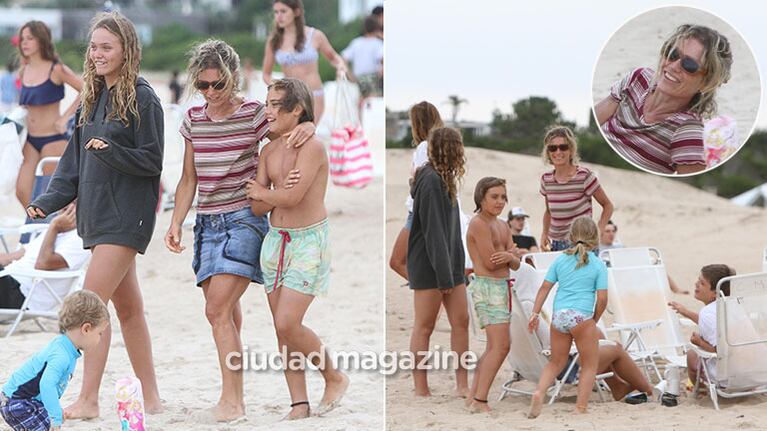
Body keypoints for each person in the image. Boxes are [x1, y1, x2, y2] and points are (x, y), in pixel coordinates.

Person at [164, 40, 314, 422]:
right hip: (207, 225)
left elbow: (288, 129)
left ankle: (233, 401)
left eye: (218, 84)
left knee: (217, 310)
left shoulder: (253, 115)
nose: (211, 93)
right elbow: (187, 179)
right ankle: (235, 392)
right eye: (203, 85)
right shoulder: (194, 119)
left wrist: (308, 126)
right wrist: (176, 222)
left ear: (233, 78)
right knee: (222, 313)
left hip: (245, 221)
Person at [26, 12, 163, 419]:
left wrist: (112, 150)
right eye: (94, 46)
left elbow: (153, 160)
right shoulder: (92, 97)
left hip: (128, 217)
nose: (98, 54)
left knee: (89, 308)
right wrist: (46, 202)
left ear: (126, 51)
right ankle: (151, 397)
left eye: (107, 47)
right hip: (96, 216)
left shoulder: (143, 97)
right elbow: (71, 166)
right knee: (129, 310)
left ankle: (88, 400)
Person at [245, 78, 349, 420]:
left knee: (289, 322)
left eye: (276, 105)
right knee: (281, 327)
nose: (268, 111)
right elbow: (257, 208)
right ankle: (299, 404)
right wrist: (268, 196)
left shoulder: (313, 148)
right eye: (268, 103)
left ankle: (333, 376)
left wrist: (266, 193)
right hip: (276, 242)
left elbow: (290, 197)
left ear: (297, 110)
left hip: (307, 241)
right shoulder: (268, 151)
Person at [595, 24, 733, 175]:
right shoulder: (638, 79)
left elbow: (685, 188)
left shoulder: (688, 131)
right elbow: (596, 123)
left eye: (689, 65)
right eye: (672, 54)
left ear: (707, 83)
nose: (673, 66)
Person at [407, 127, 469, 397]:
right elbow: (433, 232)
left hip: (450, 264)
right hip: (430, 265)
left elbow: (450, 232)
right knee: (424, 326)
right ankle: (421, 387)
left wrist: (456, 269)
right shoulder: (431, 180)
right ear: (452, 148)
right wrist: (444, 276)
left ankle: (462, 384)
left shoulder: (446, 178)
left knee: (461, 321)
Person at [527, 216, 608, 418]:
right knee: (589, 364)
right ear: (595, 238)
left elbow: (544, 288)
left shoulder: (560, 259)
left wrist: (535, 313)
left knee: (555, 362)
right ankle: (580, 407)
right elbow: (603, 299)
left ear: (571, 236)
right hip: (581, 318)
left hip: (559, 317)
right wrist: (594, 319)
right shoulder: (598, 265)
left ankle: (539, 391)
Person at [0, 290, 109, 431]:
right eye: (99, 333)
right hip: (18, 402)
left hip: (24, 400)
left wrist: (53, 411)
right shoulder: (61, 355)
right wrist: (55, 416)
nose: (100, 339)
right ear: (86, 329)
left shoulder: (64, 345)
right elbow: (46, 385)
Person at [465, 177, 520, 412]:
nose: (500, 202)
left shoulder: (503, 225)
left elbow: (515, 263)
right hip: (487, 287)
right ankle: (480, 400)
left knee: (493, 346)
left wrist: (509, 256)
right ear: (481, 198)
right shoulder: (478, 224)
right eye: (494, 197)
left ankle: (473, 397)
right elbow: (490, 262)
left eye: (503, 197)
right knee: (501, 346)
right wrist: (509, 255)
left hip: (503, 286)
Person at [15, 20, 83, 208]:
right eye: (22, 39)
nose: (24, 43)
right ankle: (39, 228)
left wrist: (66, 117)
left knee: (50, 194)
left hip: (53, 139)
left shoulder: (57, 69)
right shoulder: (24, 70)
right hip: (29, 140)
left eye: (30, 38)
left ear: (41, 40)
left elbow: (85, 90)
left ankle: (53, 231)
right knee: (22, 191)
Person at [262, 0, 348, 123]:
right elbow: (266, 74)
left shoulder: (315, 35)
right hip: (289, 98)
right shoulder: (274, 41)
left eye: (283, 11)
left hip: (313, 95)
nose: (279, 16)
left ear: (296, 12)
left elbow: (334, 57)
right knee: (290, 138)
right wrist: (278, 87)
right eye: (276, 12)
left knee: (307, 134)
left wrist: (341, 66)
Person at [389, 101, 444, 280]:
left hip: (419, 212)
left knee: (397, 261)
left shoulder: (424, 147)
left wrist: (412, 180)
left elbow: (420, 184)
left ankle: (428, 291)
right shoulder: (443, 147)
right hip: (439, 211)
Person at [0, 204, 88, 310]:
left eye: (74, 201)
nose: (67, 205)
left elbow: (42, 264)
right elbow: (11, 257)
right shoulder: (55, 229)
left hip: (22, 296)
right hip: (7, 281)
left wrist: (54, 226)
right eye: (65, 200)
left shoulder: (80, 238)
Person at [539, 126, 613, 251]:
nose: (558, 152)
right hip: (556, 244)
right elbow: (549, 212)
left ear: (571, 150)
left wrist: (599, 231)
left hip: (583, 244)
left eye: (563, 147)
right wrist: (544, 234)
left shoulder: (585, 176)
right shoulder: (546, 179)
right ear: (548, 152)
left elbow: (608, 205)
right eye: (552, 148)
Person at [668, 264, 735, 387]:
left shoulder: (707, 313)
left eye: (702, 283)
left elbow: (720, 352)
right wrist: (686, 312)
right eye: (698, 280)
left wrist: (699, 342)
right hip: (749, 373)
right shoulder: (733, 305)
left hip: (728, 379)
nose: (696, 284)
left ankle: (700, 390)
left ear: (714, 293)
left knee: (691, 354)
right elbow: (713, 323)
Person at [341, 16, 383, 99]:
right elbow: (383, 59)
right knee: (373, 104)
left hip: (357, 79)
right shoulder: (378, 43)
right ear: (376, 28)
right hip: (373, 78)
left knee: (359, 104)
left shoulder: (356, 42)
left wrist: (349, 75)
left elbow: (343, 58)